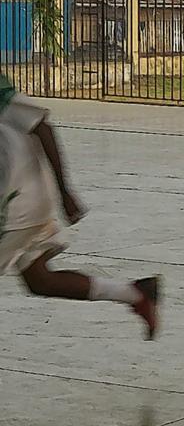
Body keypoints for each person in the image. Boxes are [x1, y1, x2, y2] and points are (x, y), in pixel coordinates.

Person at [0, 77, 160, 339]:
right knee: (39, 280)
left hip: (17, 205)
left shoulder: (2, 94)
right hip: (23, 201)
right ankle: (135, 294)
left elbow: (42, 126)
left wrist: (66, 192)